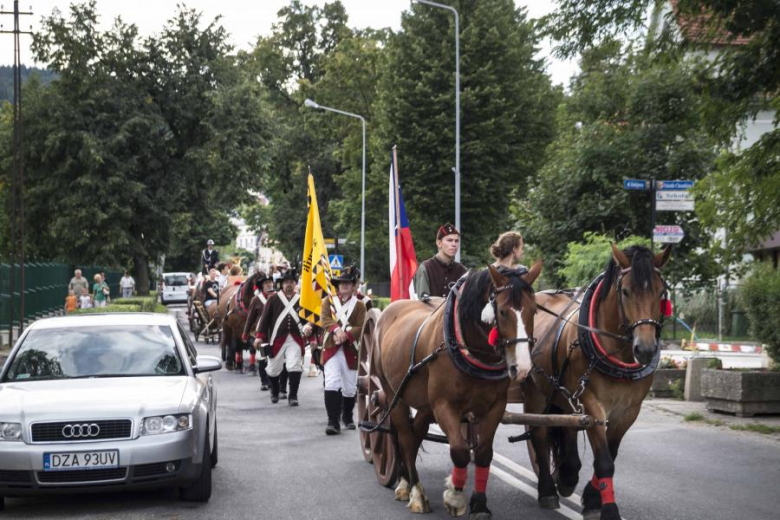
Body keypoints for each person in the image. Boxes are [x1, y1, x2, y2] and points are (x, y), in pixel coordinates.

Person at [315, 265, 367, 435]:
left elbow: (361, 325)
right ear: (337, 285)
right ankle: (333, 421)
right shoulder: (327, 301)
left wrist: (347, 335)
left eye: (348, 283)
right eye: (342, 283)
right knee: (331, 383)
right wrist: (337, 330)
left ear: (353, 286)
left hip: (351, 349)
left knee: (350, 387)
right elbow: (325, 319)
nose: (344, 285)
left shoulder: (359, 305)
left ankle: (348, 416)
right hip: (331, 347)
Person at [254, 265, 313, 406]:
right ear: (281, 284)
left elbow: (308, 318)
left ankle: (293, 396)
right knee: (273, 369)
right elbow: (265, 319)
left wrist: (308, 326)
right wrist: (259, 336)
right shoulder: (273, 299)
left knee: (294, 366)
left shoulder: (301, 299)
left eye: (291, 282)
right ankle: (274, 390)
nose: (289, 285)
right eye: (286, 282)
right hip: (277, 338)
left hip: (296, 339)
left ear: (295, 284)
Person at [412, 222, 467, 299]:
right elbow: (422, 303)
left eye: (456, 241)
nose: (454, 244)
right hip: (430, 311)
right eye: (449, 240)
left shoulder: (463, 271)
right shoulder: (426, 268)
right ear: (439, 243)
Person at [242, 271, 275, 387]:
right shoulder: (256, 300)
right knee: (262, 357)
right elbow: (250, 319)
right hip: (261, 333)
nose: (269, 284)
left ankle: (273, 380)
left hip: (276, 333)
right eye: (266, 283)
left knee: (274, 358)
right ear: (262, 286)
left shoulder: (277, 297)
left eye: (270, 282)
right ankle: (264, 381)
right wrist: (245, 334)